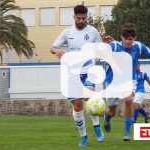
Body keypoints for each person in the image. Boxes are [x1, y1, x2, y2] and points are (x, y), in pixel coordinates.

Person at [103, 23, 150, 141]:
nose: (127, 42)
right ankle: (107, 118)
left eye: (130, 39)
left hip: (129, 80)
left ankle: (126, 132)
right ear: (121, 37)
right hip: (112, 81)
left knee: (128, 100)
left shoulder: (139, 47)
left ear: (135, 38)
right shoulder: (114, 46)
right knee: (112, 111)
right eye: (125, 38)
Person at [51, 5, 104, 147]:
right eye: (78, 18)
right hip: (72, 73)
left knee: (90, 97)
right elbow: (53, 47)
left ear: (87, 17)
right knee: (78, 106)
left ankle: (97, 125)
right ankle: (83, 136)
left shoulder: (93, 31)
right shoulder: (67, 32)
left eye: (84, 18)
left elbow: (101, 47)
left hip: (88, 70)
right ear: (74, 17)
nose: (81, 20)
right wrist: (58, 52)